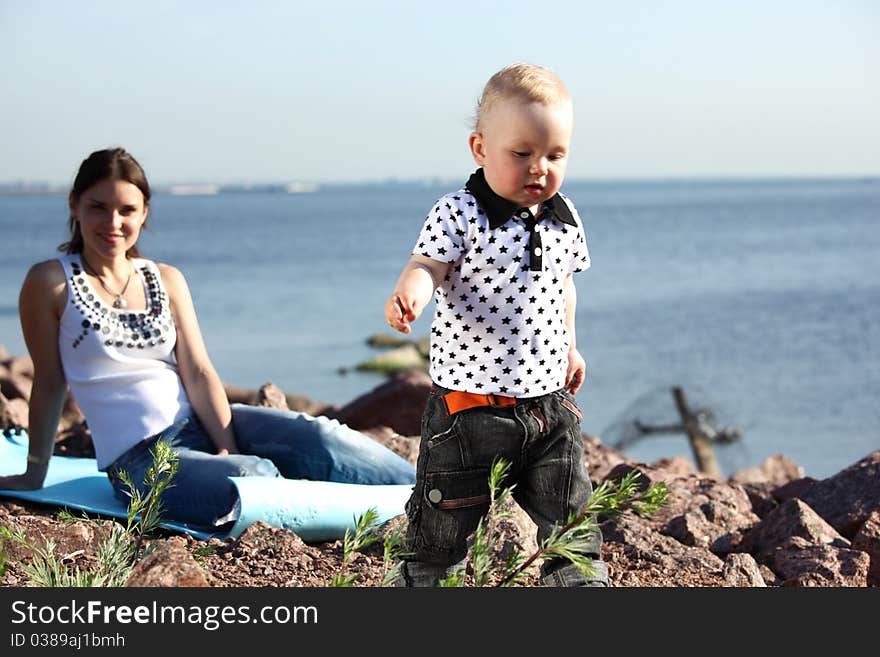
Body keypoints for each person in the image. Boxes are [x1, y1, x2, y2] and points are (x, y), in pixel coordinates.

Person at [0, 147, 415, 532]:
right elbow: (50, 382)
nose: (113, 223)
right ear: (74, 205)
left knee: (323, 437)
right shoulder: (51, 282)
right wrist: (35, 471)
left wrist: (225, 446)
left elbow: (198, 372)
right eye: (97, 208)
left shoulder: (166, 278)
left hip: (202, 423)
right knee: (252, 479)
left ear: (144, 213)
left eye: (127, 210)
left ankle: (441, 493)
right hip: (140, 461)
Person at [384, 63, 609, 586]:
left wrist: (571, 349)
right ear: (480, 148)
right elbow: (428, 265)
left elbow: (562, 288)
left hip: (550, 408)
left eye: (555, 155)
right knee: (440, 536)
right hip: (469, 410)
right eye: (522, 153)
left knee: (571, 528)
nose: (540, 168)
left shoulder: (563, 215)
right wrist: (411, 294)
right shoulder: (459, 213)